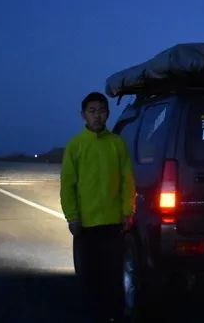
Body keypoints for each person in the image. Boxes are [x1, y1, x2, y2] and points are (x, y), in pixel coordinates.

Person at [60, 92, 136, 322]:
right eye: (92, 111)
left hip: (114, 225)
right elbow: (68, 185)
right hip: (86, 226)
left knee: (113, 276)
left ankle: (115, 316)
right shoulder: (75, 145)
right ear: (83, 115)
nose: (97, 115)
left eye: (101, 110)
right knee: (89, 277)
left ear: (108, 114)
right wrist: (72, 217)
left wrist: (128, 212)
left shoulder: (117, 144)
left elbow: (127, 181)